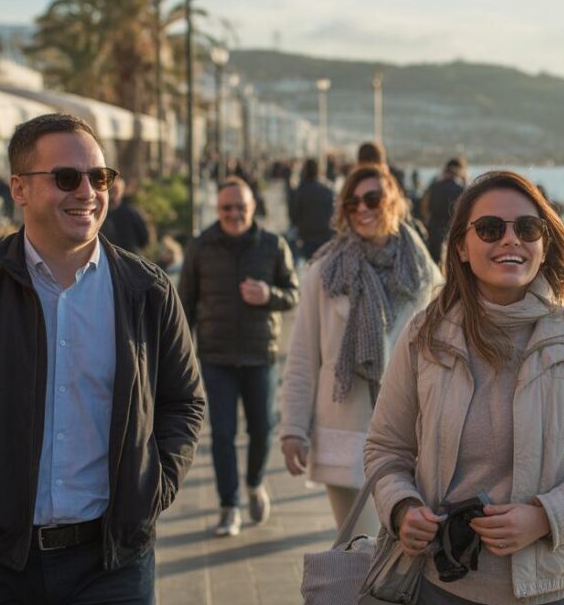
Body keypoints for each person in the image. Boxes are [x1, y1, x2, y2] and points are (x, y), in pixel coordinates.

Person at [0, 113, 205, 604]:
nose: (87, 192)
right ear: (19, 189)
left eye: (99, 177)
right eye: (66, 177)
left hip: (113, 560)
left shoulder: (146, 290)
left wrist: (155, 485)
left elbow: (184, 402)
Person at [365, 170, 564, 604]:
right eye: (490, 229)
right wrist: (401, 508)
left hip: (553, 589)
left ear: (544, 244)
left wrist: (544, 517)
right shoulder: (425, 335)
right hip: (441, 584)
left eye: (527, 228)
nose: (510, 240)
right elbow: (386, 448)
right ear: (461, 246)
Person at [278, 165, 441, 535]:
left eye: (373, 199)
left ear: (394, 200)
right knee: (358, 546)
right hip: (345, 430)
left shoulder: (424, 273)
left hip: (410, 437)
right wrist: (293, 430)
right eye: (352, 203)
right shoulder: (325, 271)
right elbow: (302, 357)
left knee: (403, 548)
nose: (362, 209)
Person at [178, 176, 300, 537]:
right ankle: (229, 505)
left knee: (262, 429)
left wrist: (269, 295)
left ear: (253, 207)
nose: (234, 214)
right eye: (226, 208)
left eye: (240, 207)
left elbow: (293, 293)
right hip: (216, 356)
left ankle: (255, 483)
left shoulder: (273, 245)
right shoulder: (200, 246)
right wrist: (180, 356)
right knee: (222, 434)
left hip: (261, 354)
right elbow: (184, 304)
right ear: (217, 210)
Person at [421, 157, 467, 266]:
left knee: (434, 262)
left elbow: (424, 207)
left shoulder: (435, 186)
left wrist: (427, 222)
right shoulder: (462, 189)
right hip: (453, 229)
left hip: (434, 229)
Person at [288, 157, 336, 261]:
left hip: (307, 236)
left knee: (310, 264)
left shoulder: (300, 190)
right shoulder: (327, 189)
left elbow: (293, 214)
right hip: (326, 235)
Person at [99, 177, 149, 255]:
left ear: (122, 191)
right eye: (112, 190)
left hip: (129, 258)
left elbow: (144, 238)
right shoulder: (99, 214)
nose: (113, 194)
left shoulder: (132, 213)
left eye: (116, 190)